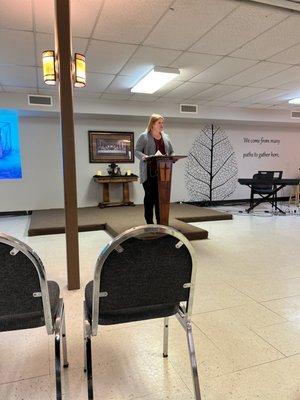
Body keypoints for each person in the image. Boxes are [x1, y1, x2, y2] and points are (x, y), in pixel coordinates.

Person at [135, 114, 174, 224]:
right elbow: (136, 150)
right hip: (148, 172)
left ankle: (160, 221)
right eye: (159, 123)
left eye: (163, 123)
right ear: (152, 124)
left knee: (160, 198)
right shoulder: (144, 136)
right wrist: (143, 156)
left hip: (163, 173)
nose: (162, 125)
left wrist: (172, 157)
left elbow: (172, 152)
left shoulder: (166, 137)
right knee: (150, 197)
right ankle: (149, 222)